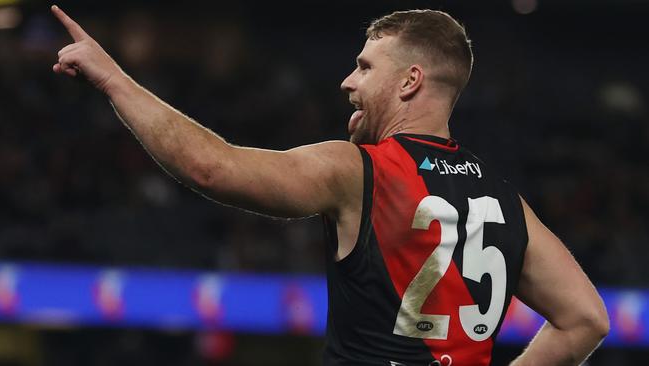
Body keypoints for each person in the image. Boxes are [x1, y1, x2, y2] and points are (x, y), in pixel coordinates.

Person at [50, 5, 609, 365]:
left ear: (410, 81)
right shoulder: (504, 198)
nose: (348, 81)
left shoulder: (358, 169)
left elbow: (210, 167)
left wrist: (113, 79)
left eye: (365, 67)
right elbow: (587, 318)